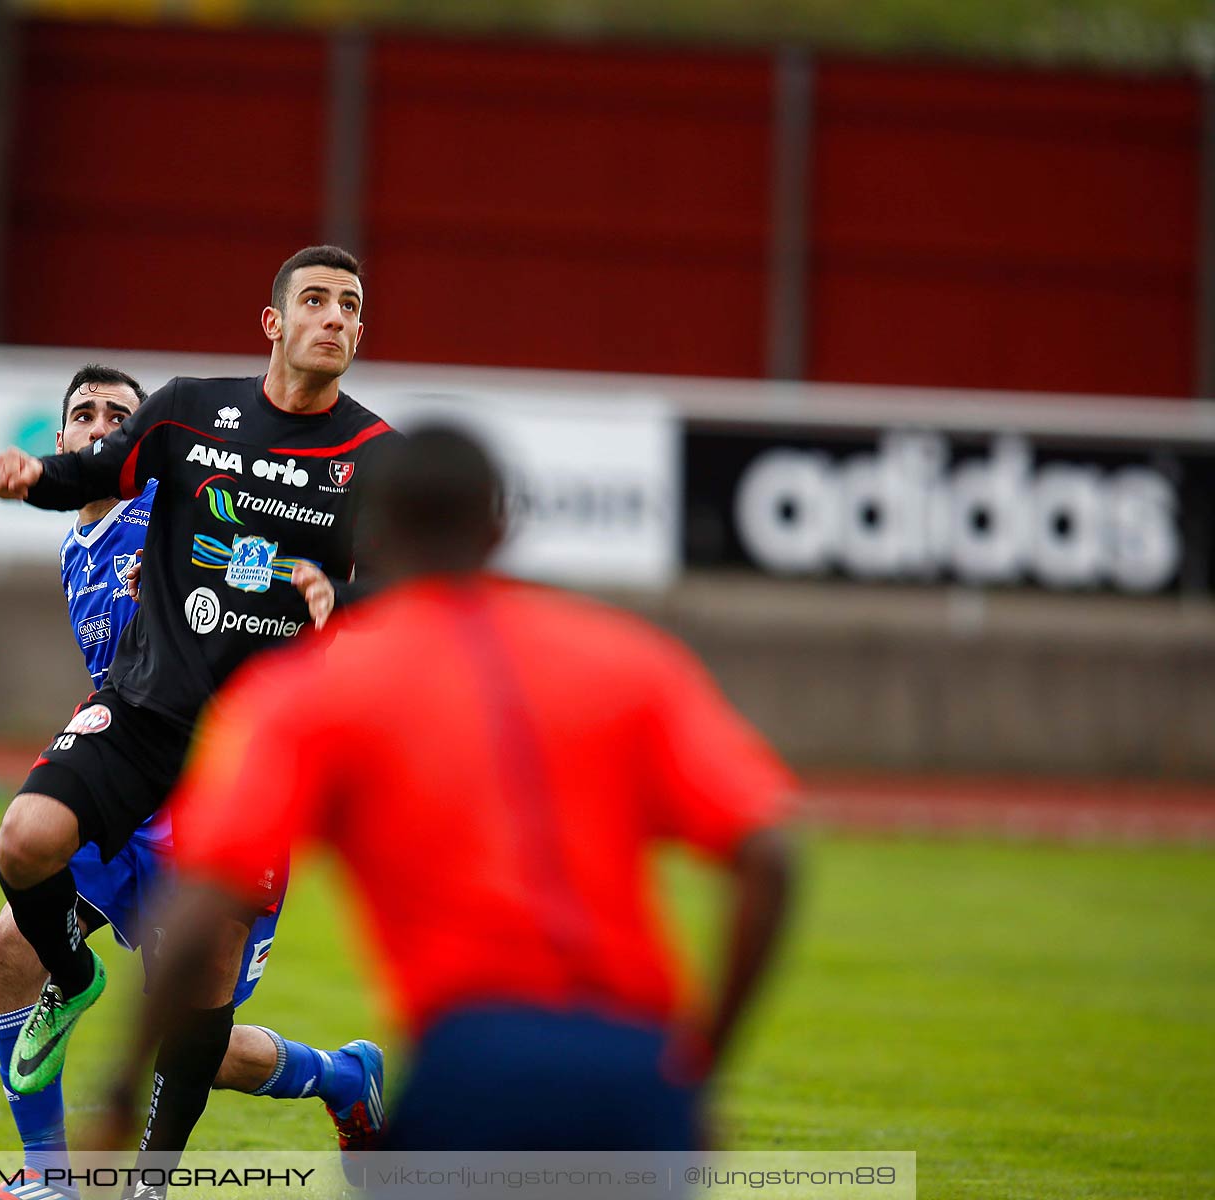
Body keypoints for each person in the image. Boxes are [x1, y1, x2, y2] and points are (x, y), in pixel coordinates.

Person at [111, 424, 798, 1153]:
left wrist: (121, 1088)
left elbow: (205, 897)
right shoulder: (631, 660)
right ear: (501, 525)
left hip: (476, 1066)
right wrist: (699, 1068)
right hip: (641, 1073)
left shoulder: (314, 692)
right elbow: (771, 857)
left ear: (373, 532)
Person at [0, 247, 399, 1177]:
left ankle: (314, 1094)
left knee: (193, 1024)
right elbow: (88, 471)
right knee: (19, 881)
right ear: (274, 322)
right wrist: (32, 477)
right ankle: (49, 1172)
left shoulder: (370, 456)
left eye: (352, 307)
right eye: (318, 301)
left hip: (253, 762)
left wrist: (345, 599)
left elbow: (421, 590)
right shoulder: (169, 432)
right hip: (141, 732)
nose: (335, 318)